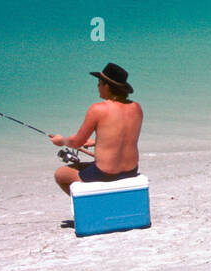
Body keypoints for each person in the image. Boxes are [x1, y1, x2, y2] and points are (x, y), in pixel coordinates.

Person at [50, 63, 143, 195]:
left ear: (107, 86)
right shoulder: (136, 107)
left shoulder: (98, 109)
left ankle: (89, 208)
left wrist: (61, 141)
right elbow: (124, 136)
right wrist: (96, 142)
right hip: (131, 169)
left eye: (99, 83)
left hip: (105, 174)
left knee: (61, 175)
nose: (97, 87)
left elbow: (76, 142)